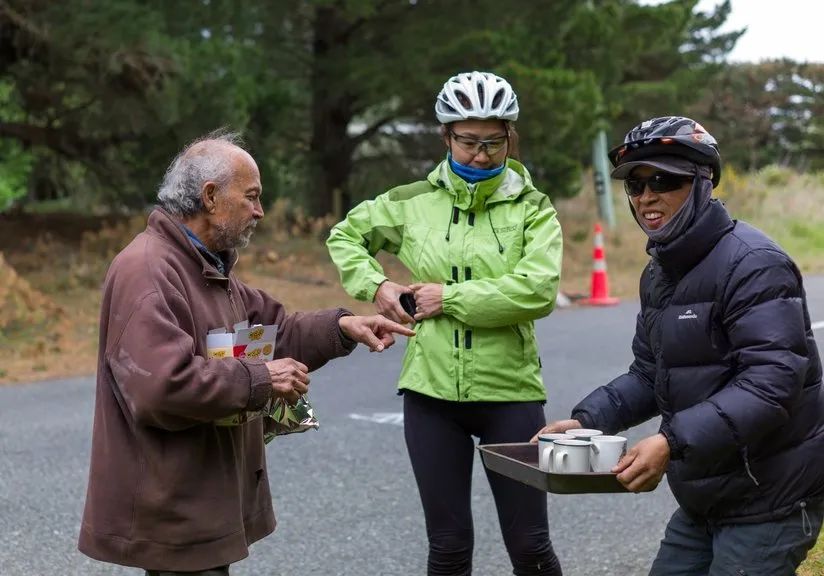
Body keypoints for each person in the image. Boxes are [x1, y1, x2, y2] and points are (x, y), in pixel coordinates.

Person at [77, 131, 415, 576]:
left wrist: (342, 327)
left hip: (200, 498)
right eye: (252, 196)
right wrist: (261, 379)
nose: (260, 211)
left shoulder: (206, 265)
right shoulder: (147, 270)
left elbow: (274, 331)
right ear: (210, 197)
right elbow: (160, 386)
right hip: (173, 507)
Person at [534, 116, 824, 575]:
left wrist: (670, 442)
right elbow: (650, 372)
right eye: (635, 184)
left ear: (703, 183)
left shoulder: (754, 264)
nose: (646, 196)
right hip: (705, 495)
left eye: (664, 181)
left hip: (772, 496)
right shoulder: (659, 272)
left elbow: (773, 384)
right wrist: (588, 419)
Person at [326, 71, 564, 575]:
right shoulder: (412, 201)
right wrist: (377, 285)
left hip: (511, 394)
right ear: (446, 136)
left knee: (530, 546)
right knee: (449, 546)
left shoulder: (533, 208)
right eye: (469, 141)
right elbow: (345, 236)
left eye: (493, 142)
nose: (481, 155)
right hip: (430, 395)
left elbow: (538, 289)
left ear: (509, 137)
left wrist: (449, 297)